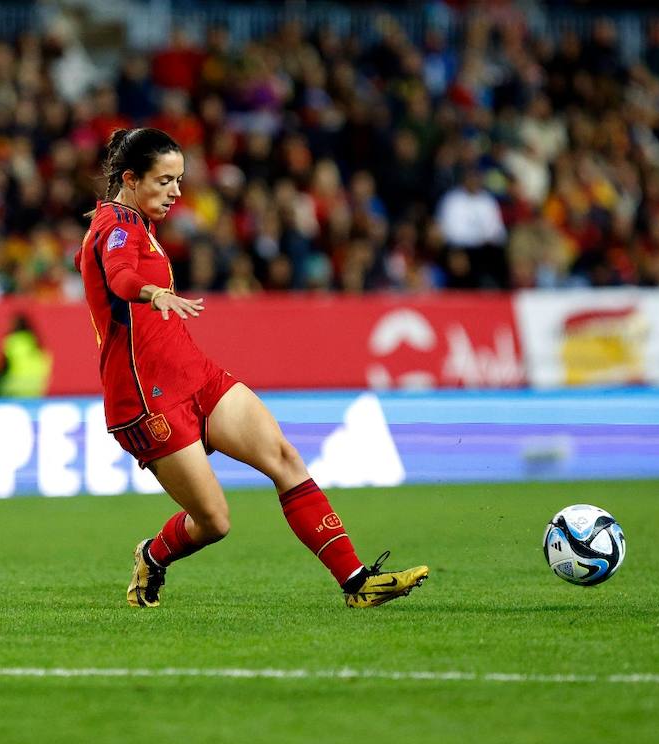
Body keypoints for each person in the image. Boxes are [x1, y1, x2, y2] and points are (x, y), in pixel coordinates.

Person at [74, 128, 429, 609]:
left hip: (194, 375)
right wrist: (153, 292)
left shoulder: (136, 221)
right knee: (215, 522)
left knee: (283, 457)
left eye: (179, 180)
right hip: (145, 398)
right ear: (132, 179)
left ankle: (357, 582)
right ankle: (152, 556)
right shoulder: (116, 227)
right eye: (165, 181)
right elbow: (119, 276)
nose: (177, 192)